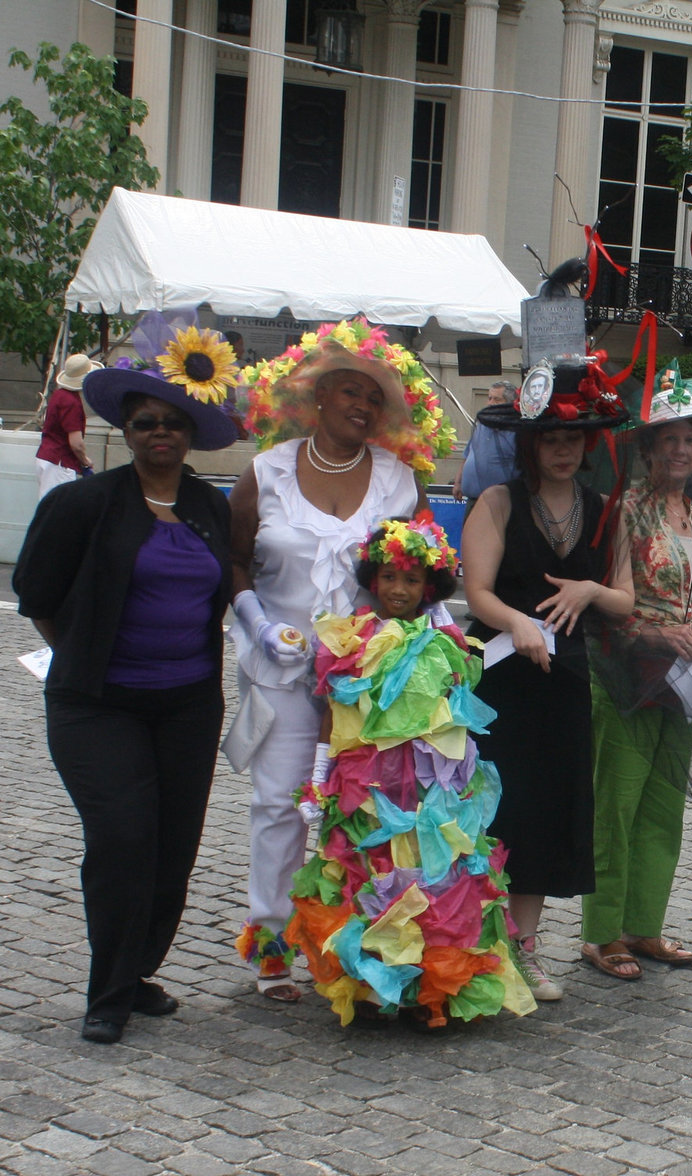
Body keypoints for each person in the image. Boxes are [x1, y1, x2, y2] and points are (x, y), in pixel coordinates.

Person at [14, 328, 238, 1043]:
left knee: (174, 845)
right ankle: (106, 994)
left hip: (189, 702)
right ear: (127, 431)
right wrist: (85, 655)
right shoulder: (86, 504)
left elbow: (224, 594)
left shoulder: (210, 508)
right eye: (146, 423)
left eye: (174, 422)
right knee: (122, 836)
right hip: (97, 704)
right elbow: (37, 593)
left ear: (191, 432)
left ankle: (138, 972)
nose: (161, 433)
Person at [228, 318, 453, 1001]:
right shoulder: (265, 472)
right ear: (317, 398)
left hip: (369, 680)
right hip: (284, 670)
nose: (361, 405)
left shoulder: (397, 481)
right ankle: (270, 945)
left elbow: (420, 574)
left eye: (373, 397)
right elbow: (233, 562)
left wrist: (437, 650)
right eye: (348, 391)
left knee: (366, 813)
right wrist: (260, 624)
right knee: (278, 804)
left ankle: (352, 943)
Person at [285, 514, 536, 1029]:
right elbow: (332, 715)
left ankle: (430, 990)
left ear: (431, 585)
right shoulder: (350, 640)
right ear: (372, 578)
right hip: (370, 789)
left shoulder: (445, 642)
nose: (399, 590)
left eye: (412, 579)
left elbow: (458, 719)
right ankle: (376, 987)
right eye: (390, 577)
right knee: (373, 875)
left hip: (430, 793)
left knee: (432, 879)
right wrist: (318, 774)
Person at [459, 368, 633, 1002]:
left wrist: (591, 591)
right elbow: (475, 590)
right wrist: (517, 622)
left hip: (567, 682)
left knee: (546, 814)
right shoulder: (498, 501)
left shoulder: (603, 510)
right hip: (500, 678)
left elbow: (625, 597)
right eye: (551, 438)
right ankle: (473, 940)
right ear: (530, 443)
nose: (563, 449)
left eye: (575, 439)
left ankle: (523, 948)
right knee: (495, 809)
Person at [581, 382, 692, 980]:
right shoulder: (624, 510)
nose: (680, 449)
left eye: (689, 440)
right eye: (668, 439)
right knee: (614, 806)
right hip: (625, 678)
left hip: (684, 685)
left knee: (664, 806)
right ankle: (600, 935)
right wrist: (653, 633)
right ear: (647, 449)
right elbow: (606, 606)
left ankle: (643, 926)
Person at [35, 353, 102, 496]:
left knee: (49, 505)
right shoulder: (71, 402)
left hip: (48, 457)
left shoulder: (59, 395)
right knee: (59, 509)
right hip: (59, 462)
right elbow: (76, 443)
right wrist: (84, 460)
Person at [451, 379, 519, 502]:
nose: (490, 403)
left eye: (496, 399)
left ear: (510, 403)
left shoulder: (516, 430)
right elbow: (468, 456)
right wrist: (458, 482)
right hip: (472, 500)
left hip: (501, 502)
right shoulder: (481, 425)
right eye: (489, 398)